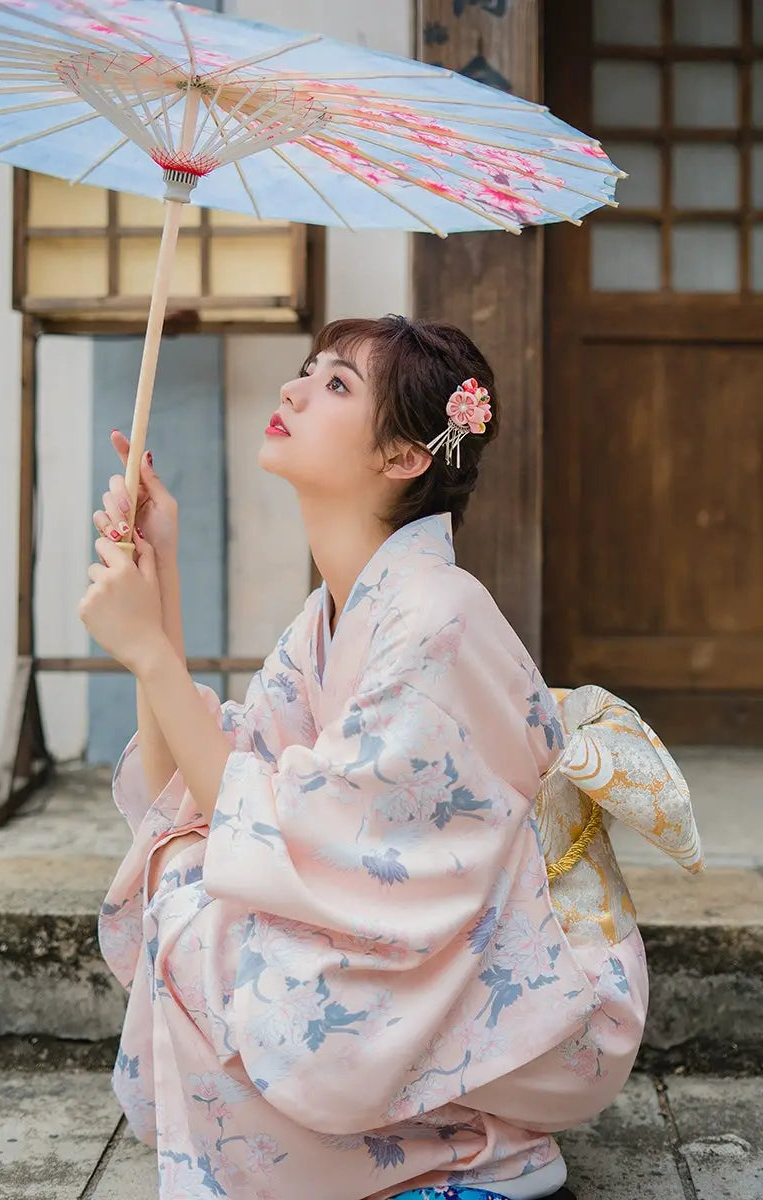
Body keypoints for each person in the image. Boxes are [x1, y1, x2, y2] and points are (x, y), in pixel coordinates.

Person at [79, 315, 698, 1200]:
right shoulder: (334, 612)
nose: (292, 390)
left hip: (538, 999)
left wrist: (147, 652)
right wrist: (161, 567)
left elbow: (296, 830)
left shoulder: (437, 614)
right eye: (306, 372)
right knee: (187, 884)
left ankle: (476, 1151)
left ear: (406, 456)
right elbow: (207, 783)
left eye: (335, 384)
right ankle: (453, 1138)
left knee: (223, 942)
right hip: (435, 949)